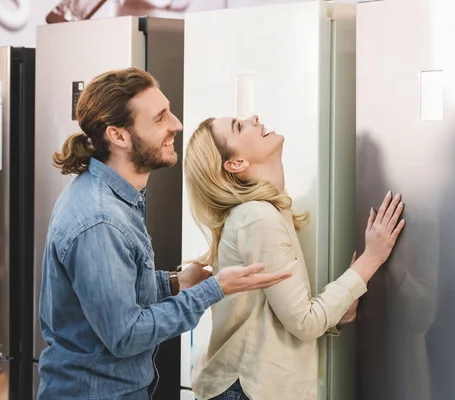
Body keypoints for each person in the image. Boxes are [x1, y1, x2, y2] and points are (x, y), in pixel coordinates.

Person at [36, 68, 291, 400]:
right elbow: (125, 334)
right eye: (159, 118)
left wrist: (175, 284)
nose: (177, 124)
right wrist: (212, 290)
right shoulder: (101, 220)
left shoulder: (115, 198)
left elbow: (116, 291)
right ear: (118, 136)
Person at [184, 115, 406, 400]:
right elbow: (305, 321)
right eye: (239, 127)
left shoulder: (267, 212)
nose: (253, 118)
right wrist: (372, 257)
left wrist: (338, 312)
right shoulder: (258, 217)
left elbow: (277, 315)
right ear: (236, 163)